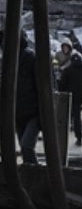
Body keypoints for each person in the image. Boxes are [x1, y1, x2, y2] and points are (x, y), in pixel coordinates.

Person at [57, 53, 82, 146]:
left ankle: (79, 139)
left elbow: (62, 86)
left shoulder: (67, 71)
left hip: (74, 96)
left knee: (76, 117)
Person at [13, 32, 42, 164]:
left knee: (27, 146)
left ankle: (35, 176)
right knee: (25, 149)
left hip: (33, 112)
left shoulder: (31, 57)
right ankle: (30, 177)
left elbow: (43, 85)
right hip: (19, 112)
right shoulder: (10, 59)